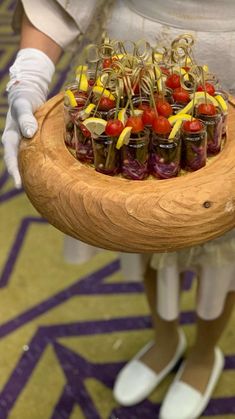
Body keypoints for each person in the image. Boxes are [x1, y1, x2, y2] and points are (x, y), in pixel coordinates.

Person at [2, 1, 235, 418]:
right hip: (131, 69)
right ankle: (165, 341)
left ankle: (204, 355)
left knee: (225, 250)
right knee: (140, 223)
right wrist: (31, 73)